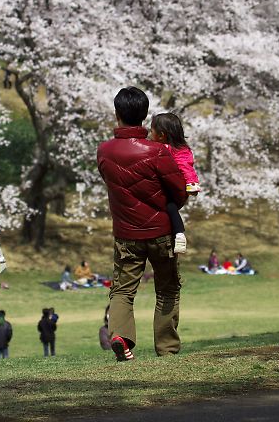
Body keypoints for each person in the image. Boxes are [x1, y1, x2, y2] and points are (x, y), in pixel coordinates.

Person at [97, 86, 188, 362]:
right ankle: (167, 347)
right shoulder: (158, 152)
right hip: (161, 232)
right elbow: (180, 192)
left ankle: (120, 337)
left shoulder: (104, 151)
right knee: (168, 288)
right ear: (145, 115)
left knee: (123, 289)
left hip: (126, 234)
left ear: (117, 114)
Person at [149, 112, 201, 253]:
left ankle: (179, 234)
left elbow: (185, 167)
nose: (149, 133)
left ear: (161, 135)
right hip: (172, 191)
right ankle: (179, 234)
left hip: (168, 190)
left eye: (151, 130)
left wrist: (191, 183)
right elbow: (187, 166)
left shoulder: (164, 149)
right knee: (171, 208)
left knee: (170, 207)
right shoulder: (182, 149)